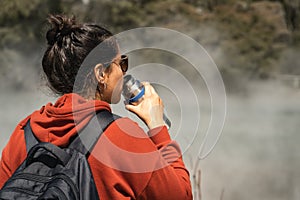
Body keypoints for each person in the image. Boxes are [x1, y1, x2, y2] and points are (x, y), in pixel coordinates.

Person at [0, 14, 192, 199]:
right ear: (101, 74)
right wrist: (158, 126)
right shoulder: (121, 137)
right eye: (121, 63)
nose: (123, 73)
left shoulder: (24, 133)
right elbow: (181, 195)